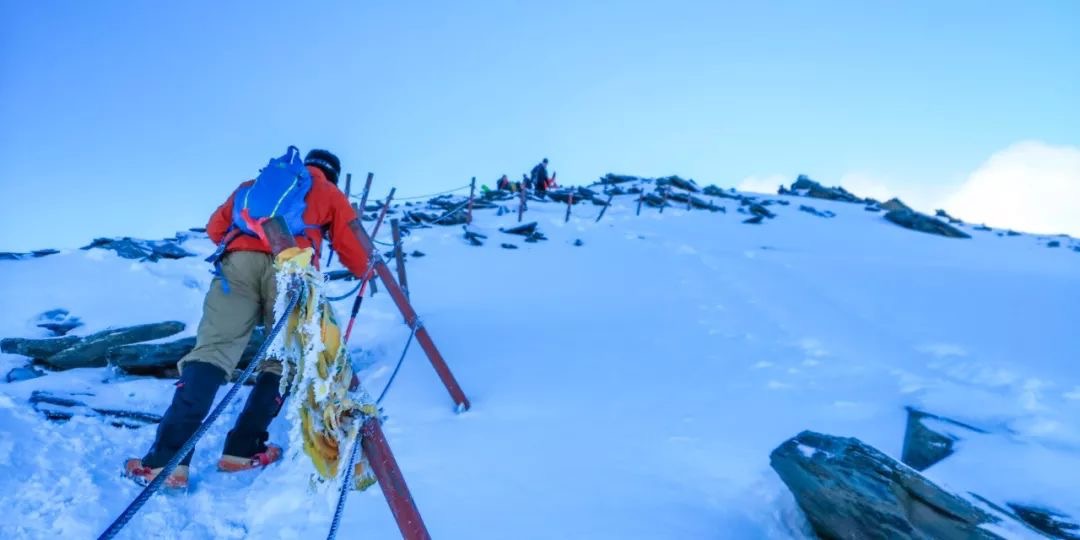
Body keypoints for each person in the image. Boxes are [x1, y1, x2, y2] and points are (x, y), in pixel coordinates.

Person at [123, 148, 370, 489]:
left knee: (212, 352)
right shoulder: (329, 193)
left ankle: (166, 462)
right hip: (292, 268)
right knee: (280, 360)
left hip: (238, 263)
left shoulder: (256, 185)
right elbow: (357, 254)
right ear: (333, 173)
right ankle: (242, 450)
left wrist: (246, 246)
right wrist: (363, 270)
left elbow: (215, 228)